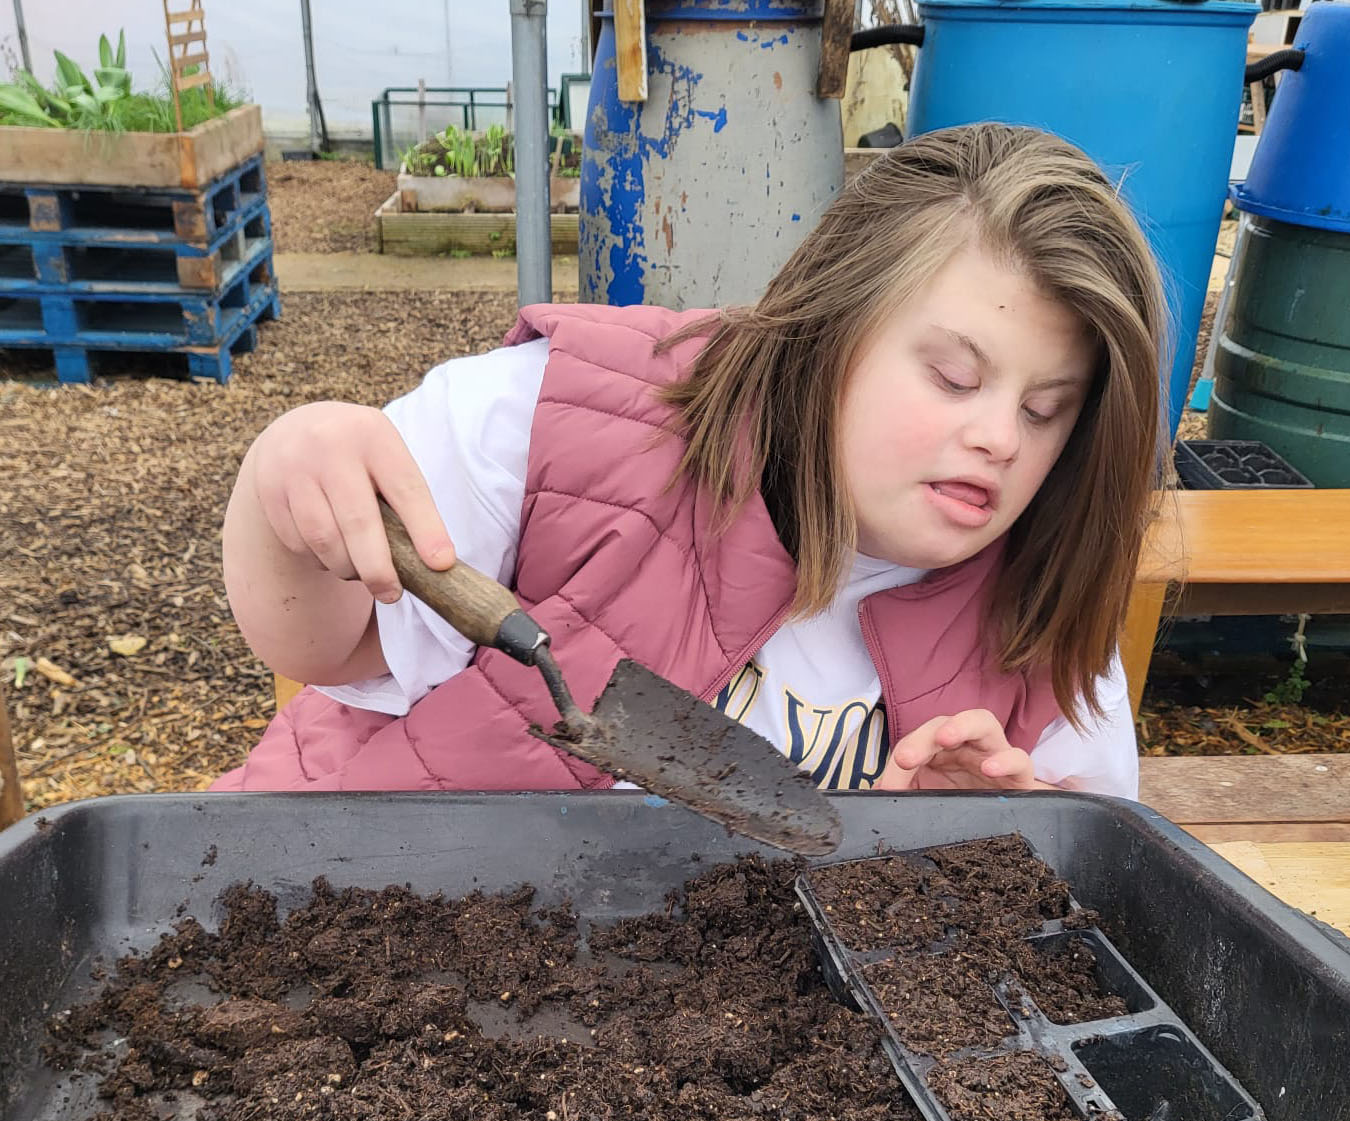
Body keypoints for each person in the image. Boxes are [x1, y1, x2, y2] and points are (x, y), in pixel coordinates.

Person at [213, 123, 1168, 800]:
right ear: (831, 330)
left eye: (1047, 411)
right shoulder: (564, 421)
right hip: (345, 905)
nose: (1001, 437)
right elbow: (320, 646)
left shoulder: (1042, 613)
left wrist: (970, 849)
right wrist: (281, 484)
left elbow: (1063, 902)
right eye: (955, 378)